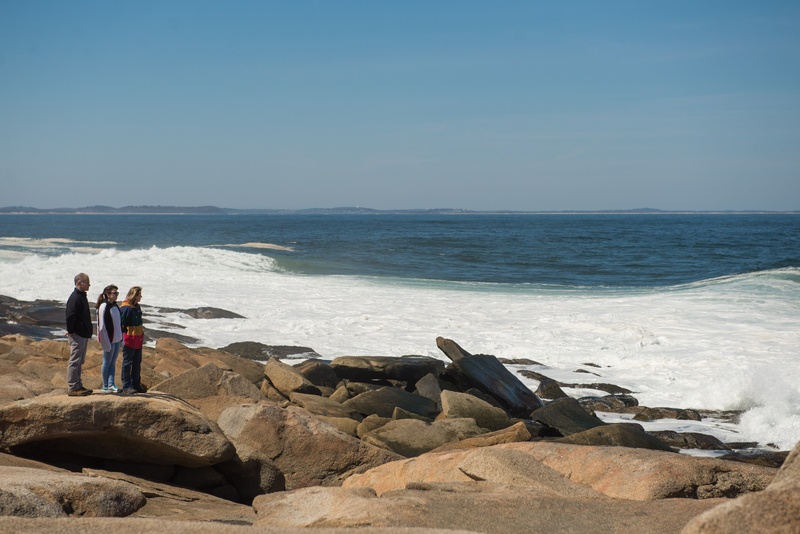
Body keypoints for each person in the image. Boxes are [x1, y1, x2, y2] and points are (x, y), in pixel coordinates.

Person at [65, 273, 93, 396]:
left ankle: (78, 384)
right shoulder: (76, 297)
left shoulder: (81, 296)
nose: (89, 285)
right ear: (80, 283)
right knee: (75, 361)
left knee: (80, 360)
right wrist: (71, 331)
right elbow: (70, 315)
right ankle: (73, 386)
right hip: (78, 334)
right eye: (87, 282)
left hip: (83, 334)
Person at [96, 284, 123, 393]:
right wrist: (105, 342)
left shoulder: (115, 306)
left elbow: (119, 323)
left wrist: (121, 339)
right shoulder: (104, 306)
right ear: (107, 294)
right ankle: (105, 385)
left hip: (117, 339)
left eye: (117, 293)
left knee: (113, 362)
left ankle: (112, 384)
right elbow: (102, 326)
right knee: (106, 362)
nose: (116, 295)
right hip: (109, 339)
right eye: (114, 293)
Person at [119, 286, 144, 395]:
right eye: (139, 295)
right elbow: (121, 323)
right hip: (129, 338)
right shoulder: (126, 308)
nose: (141, 297)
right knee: (127, 362)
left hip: (138, 338)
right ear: (134, 295)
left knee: (137, 362)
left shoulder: (137, 307)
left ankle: (136, 384)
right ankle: (126, 385)